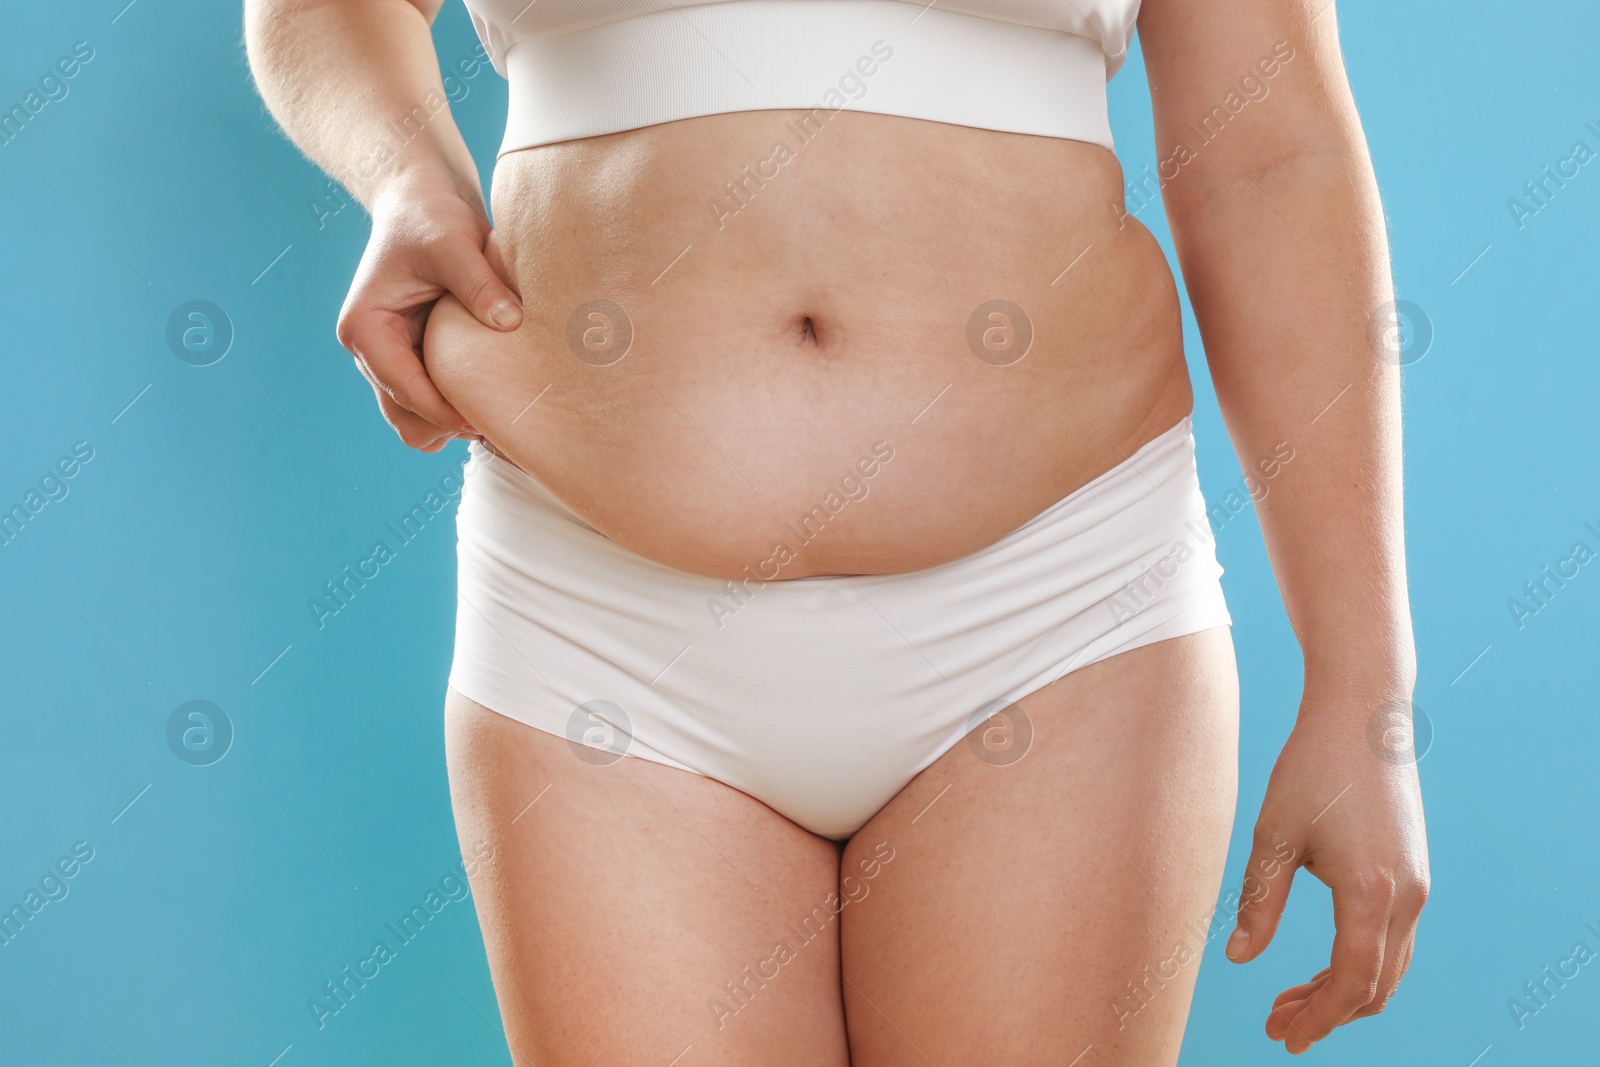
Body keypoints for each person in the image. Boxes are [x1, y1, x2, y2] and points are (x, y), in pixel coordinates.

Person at [245, 0, 1429, 1061]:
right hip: (600, 622)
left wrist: (1361, 692)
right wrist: (403, 170)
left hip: (1060, 608)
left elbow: (1272, 155)